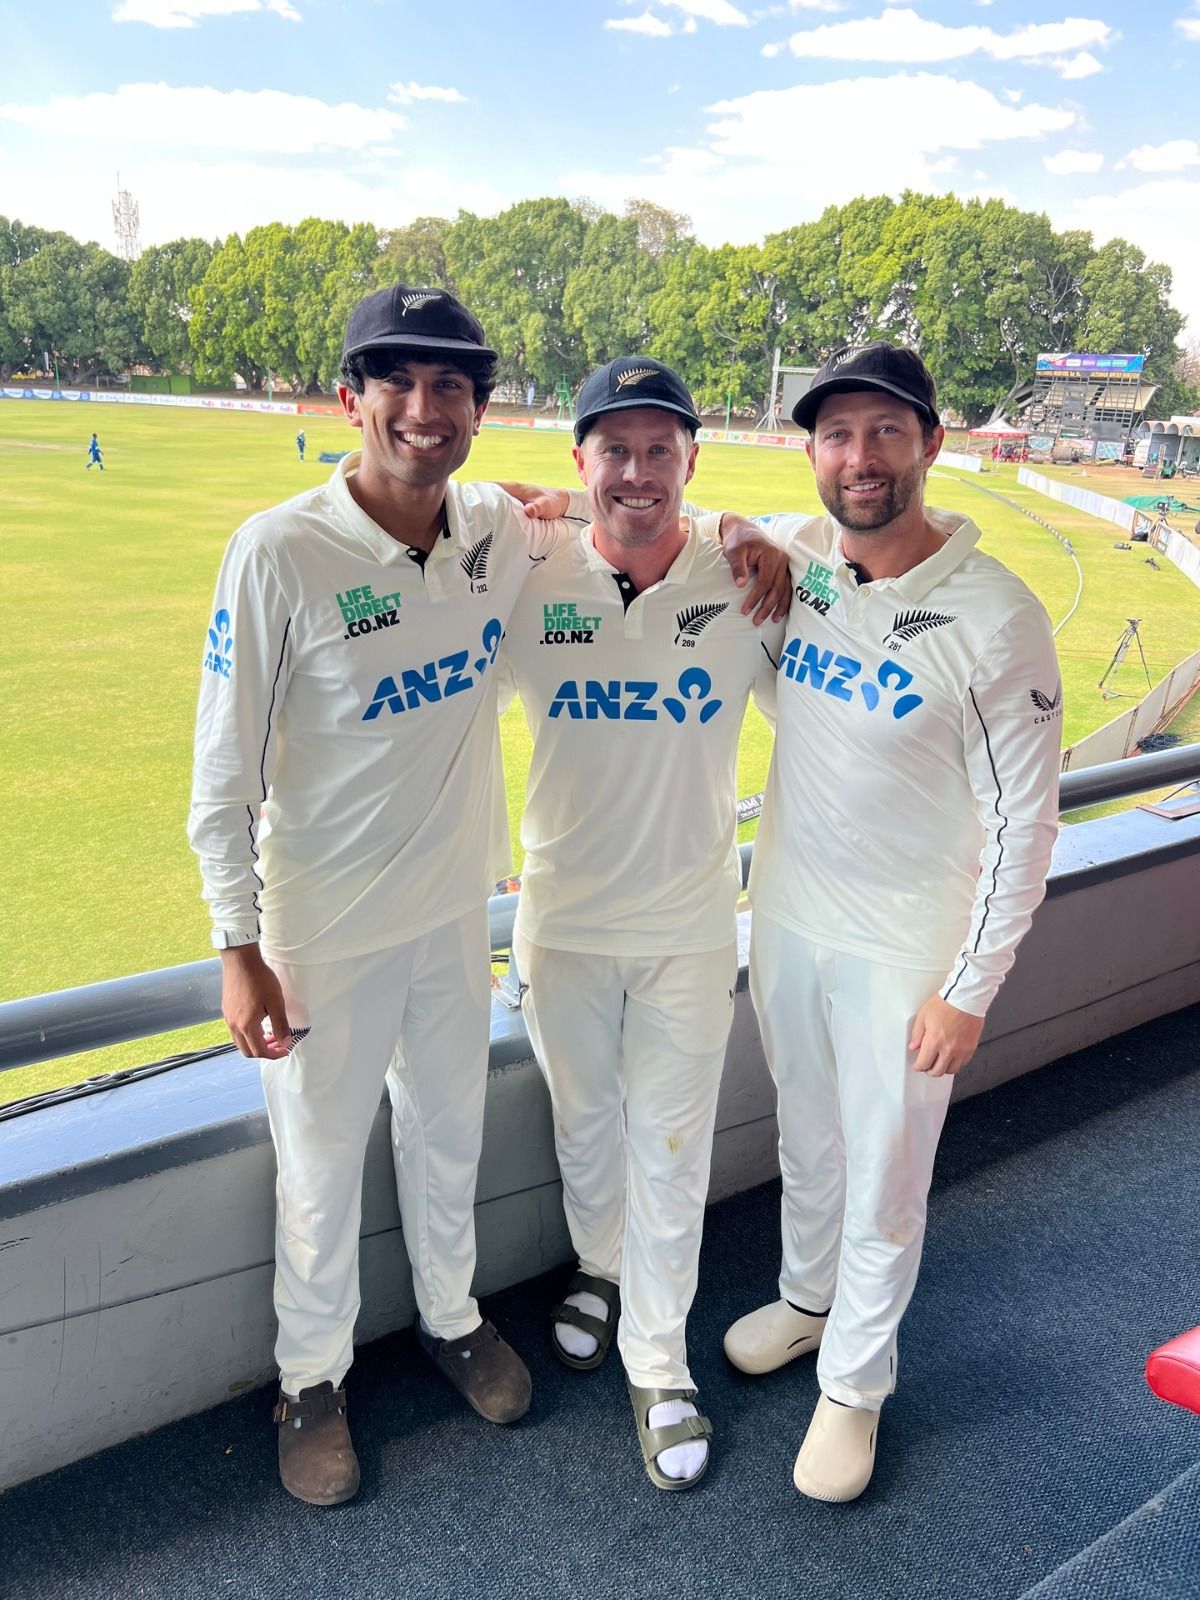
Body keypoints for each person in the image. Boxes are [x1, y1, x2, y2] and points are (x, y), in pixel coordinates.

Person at [189, 287, 785, 1508]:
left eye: (452, 385)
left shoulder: (492, 532)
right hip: (319, 931)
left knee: (447, 1134)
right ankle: (310, 1381)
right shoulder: (278, 549)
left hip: (456, 915)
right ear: (350, 396)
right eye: (398, 383)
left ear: (477, 408)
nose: (424, 408)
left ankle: (455, 1321)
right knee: (316, 1169)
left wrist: (739, 518)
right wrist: (236, 940)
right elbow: (220, 773)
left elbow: (608, 511)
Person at [721, 343, 1062, 1503]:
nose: (857, 458)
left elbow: (1027, 827)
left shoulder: (997, 616)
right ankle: (810, 1304)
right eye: (835, 435)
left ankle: (855, 1388)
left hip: (908, 944)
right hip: (792, 918)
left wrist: (970, 987)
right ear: (811, 450)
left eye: (882, 432)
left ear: (930, 440)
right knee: (807, 1138)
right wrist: (742, 537)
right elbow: (718, 520)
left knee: (886, 1176)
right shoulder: (805, 559)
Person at [499, 357, 784, 1492]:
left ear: (692, 463)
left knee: (668, 1145)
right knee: (584, 1125)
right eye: (612, 449)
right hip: (561, 917)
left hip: (687, 924)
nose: (637, 470)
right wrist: (553, 508)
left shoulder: (753, 580)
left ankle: (658, 1363)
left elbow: (834, 599)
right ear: (579, 462)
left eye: (661, 449)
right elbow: (446, 514)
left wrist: (747, 526)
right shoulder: (526, 577)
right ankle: (602, 1266)